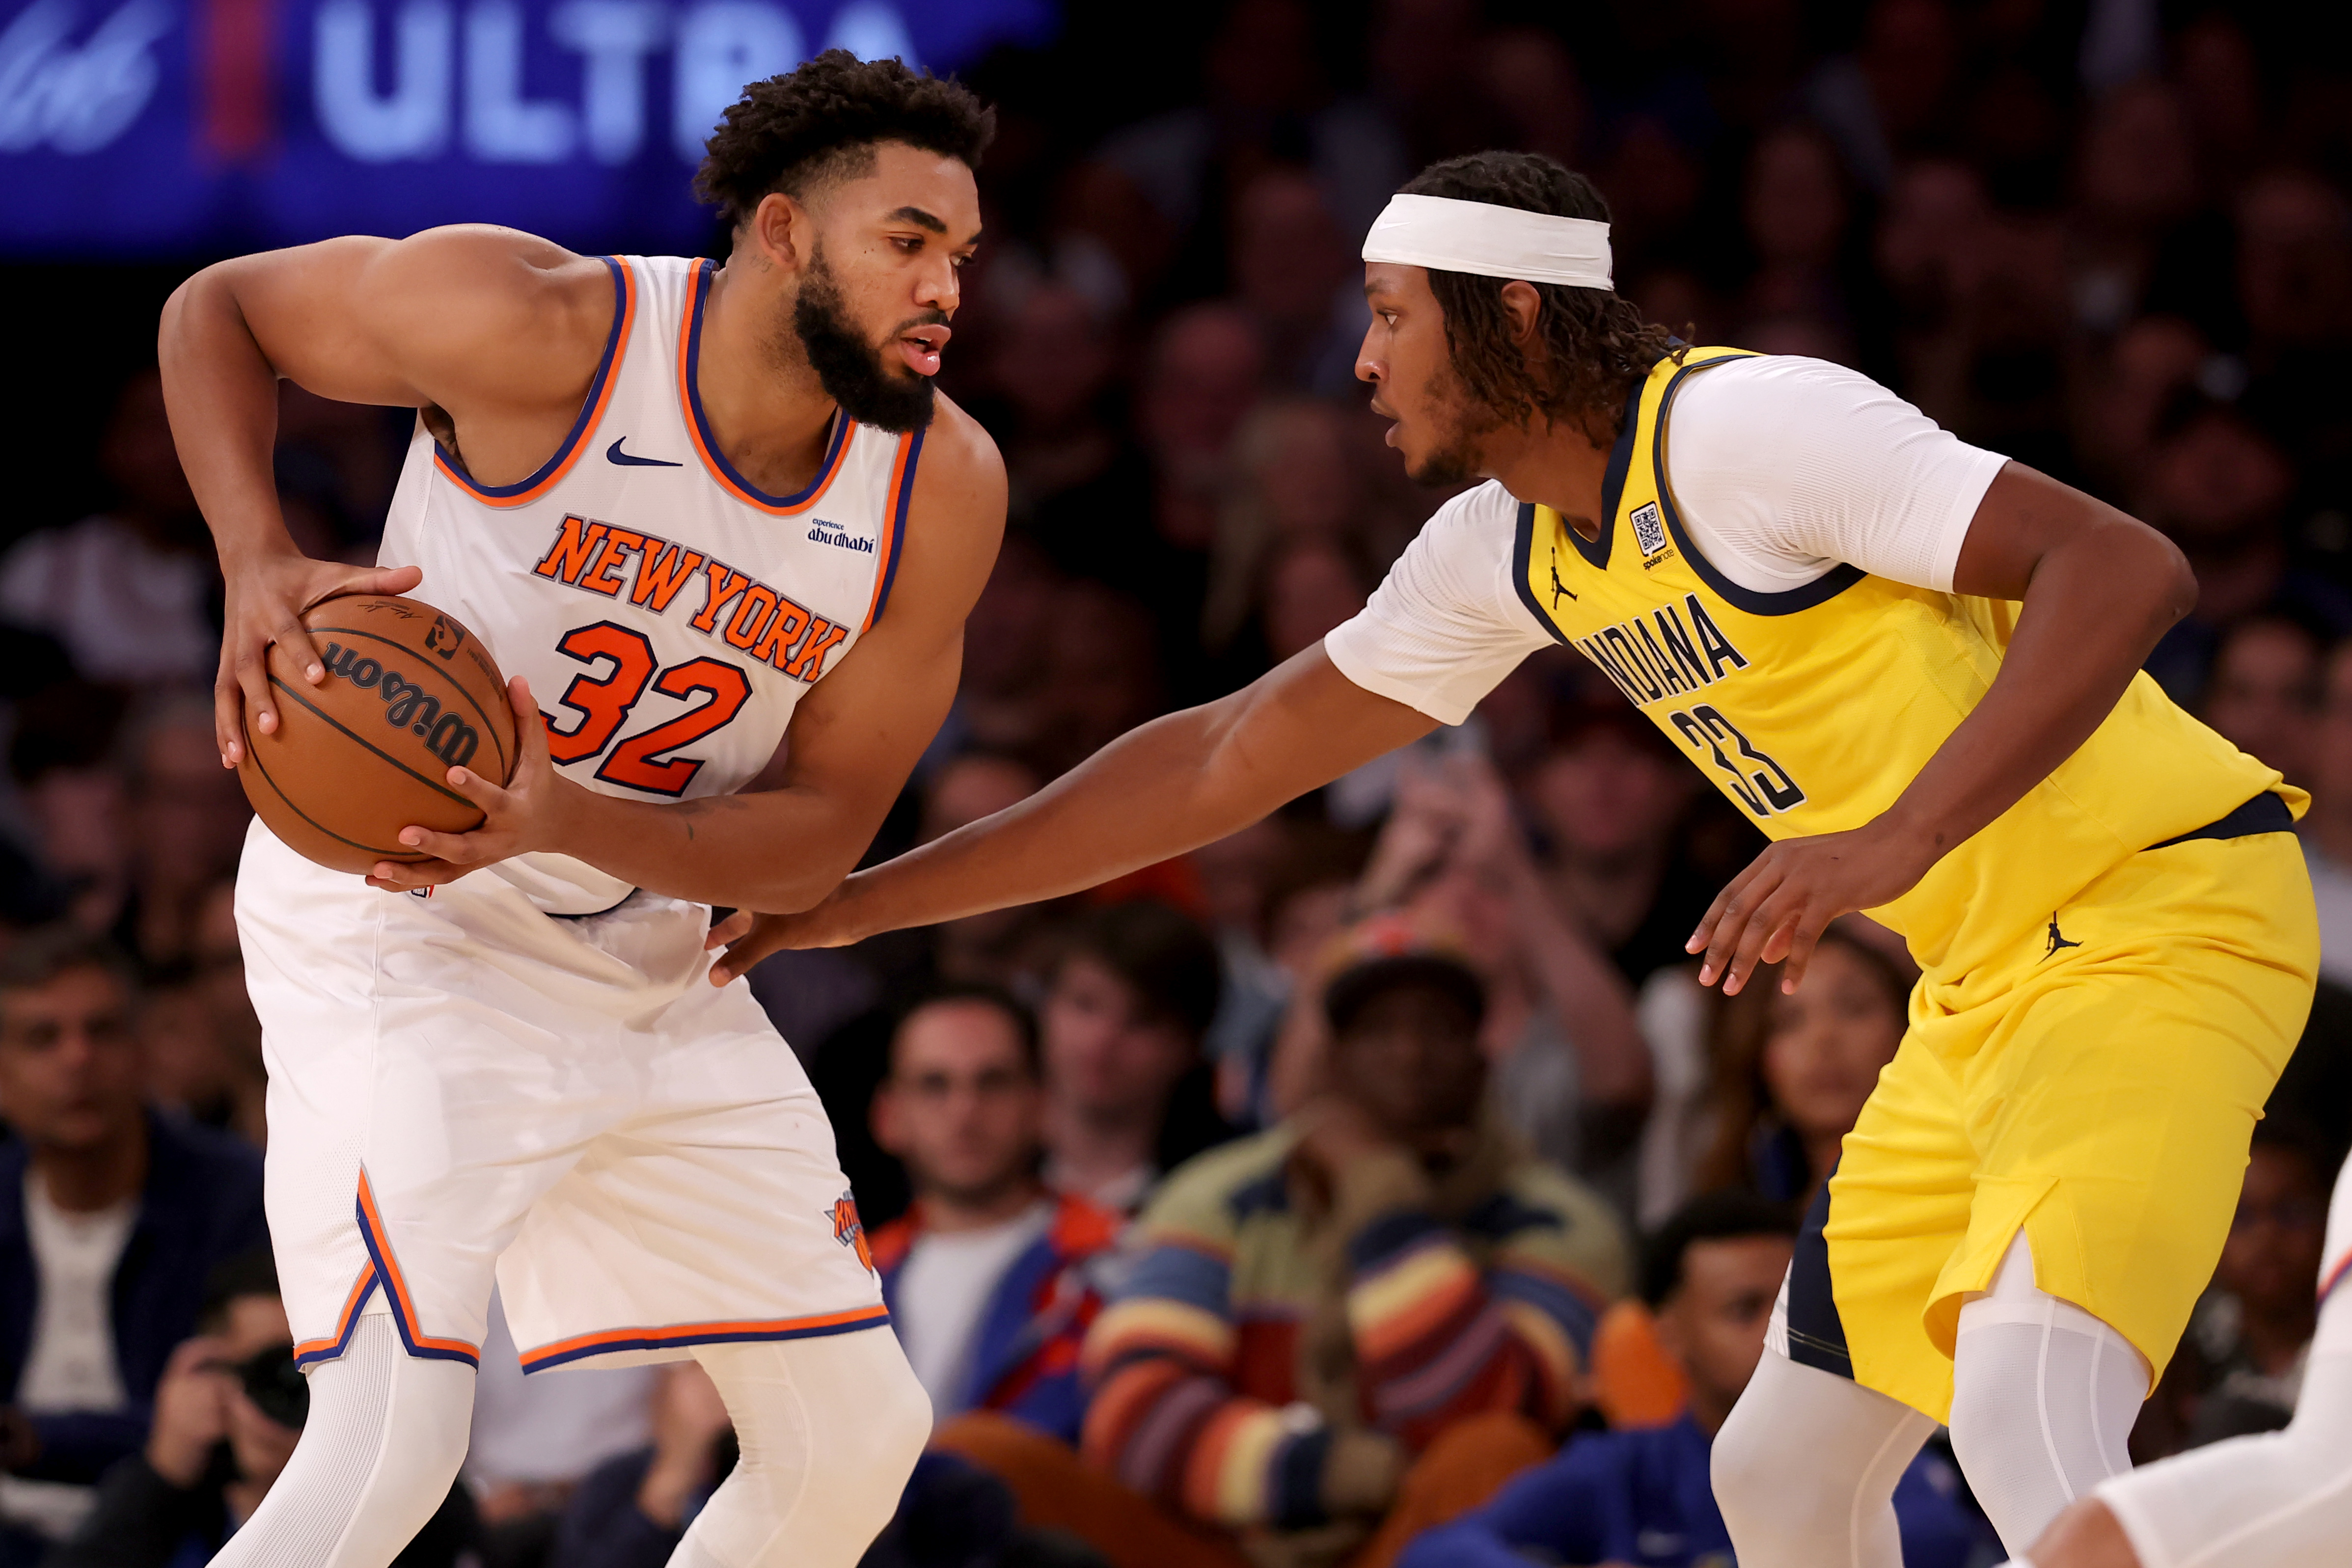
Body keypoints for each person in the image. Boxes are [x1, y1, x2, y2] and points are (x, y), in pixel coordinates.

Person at [712, 150, 2318, 1564]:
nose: (1363, 361)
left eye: (1396, 313)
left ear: (1522, 314)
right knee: (1779, 1470)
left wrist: (1886, 838)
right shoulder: (1505, 551)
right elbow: (1218, 761)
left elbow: (2123, 564)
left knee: (2033, 1421)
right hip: (1980, 990)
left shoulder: (1753, 429)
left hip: (2158, 915)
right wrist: (859, 904)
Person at [158, 52, 1015, 1568]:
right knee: (392, 1439)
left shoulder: (938, 485)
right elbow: (217, 309)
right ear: (781, 233)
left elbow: (820, 833)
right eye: (907, 241)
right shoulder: (546, 325)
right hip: (399, 914)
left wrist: (562, 814)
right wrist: (254, 555)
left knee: (856, 1436)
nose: (946, 285)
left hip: (640, 940)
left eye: (960, 253)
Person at [934, 948, 1629, 1568]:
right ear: (1330, 1057)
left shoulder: (1560, 1222)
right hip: (1218, 1546)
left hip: (1411, 1541)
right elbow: (1132, 1411)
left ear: (1483, 1059)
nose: (1410, 1054)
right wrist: (1341, 1468)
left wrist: (1378, 1194)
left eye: (1438, 1027)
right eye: (1378, 1029)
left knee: (1493, 1453)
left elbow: (1489, 1411)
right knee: (979, 1458)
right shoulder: (1219, 1192)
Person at [1396, 1192, 1984, 1568]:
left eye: (1789, 1303)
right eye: (1743, 1308)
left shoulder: (1869, 1446)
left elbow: (1938, 1539)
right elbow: (1435, 1552)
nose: (1777, 1329)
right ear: (1670, 1335)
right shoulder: (1622, 1469)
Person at [0, 926, 266, 1566]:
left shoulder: (237, 1196)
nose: (77, 1059)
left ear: (145, 1049)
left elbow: (240, 1410)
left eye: (103, 1030)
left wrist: (36, 1438)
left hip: (183, 1527)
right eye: (43, 1038)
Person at [2000, 1146, 2352, 1568]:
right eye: (2241, 1218)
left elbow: (2335, 1476)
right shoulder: (2190, 1345)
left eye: (2291, 1212)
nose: (2266, 1237)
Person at [47, 1249, 473, 1568]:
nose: (289, 1391)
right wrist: (163, 1471)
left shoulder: (422, 1501)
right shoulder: (172, 1498)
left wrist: (337, 1469)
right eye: (268, 1369)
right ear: (212, 1373)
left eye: (309, 1373)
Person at [868, 987, 1121, 1442]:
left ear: (1042, 1105)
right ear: (889, 1117)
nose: (965, 1112)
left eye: (993, 1082)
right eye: (934, 1085)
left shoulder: (1116, 1267)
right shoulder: (840, 1282)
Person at [1695, 923, 1913, 1205]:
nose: (1823, 1038)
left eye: (1854, 1007)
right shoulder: (1730, 1230)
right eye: (1790, 1021)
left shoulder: (1963, 1191)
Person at [1036, 902, 1230, 1215]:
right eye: (1085, 1004)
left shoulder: (1232, 1187)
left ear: (1189, 1046)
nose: (1103, 1040)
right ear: (1046, 1008)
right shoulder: (972, 1165)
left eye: (1142, 1020)